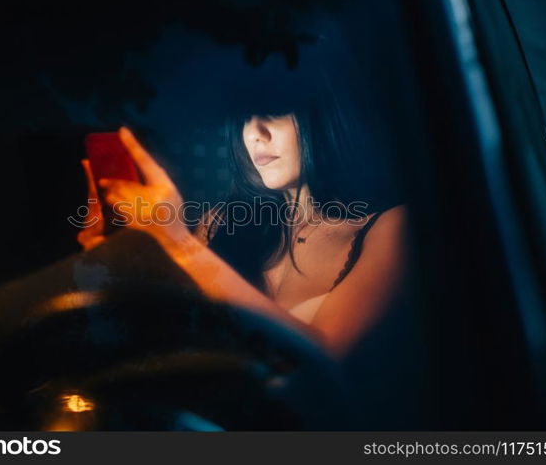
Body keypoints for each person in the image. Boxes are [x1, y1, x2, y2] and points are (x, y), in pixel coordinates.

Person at [77, 100, 408, 357]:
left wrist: (179, 244)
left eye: (273, 112)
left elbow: (322, 355)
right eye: (245, 119)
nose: (255, 133)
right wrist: (112, 267)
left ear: (322, 114)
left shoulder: (392, 227)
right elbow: (165, 345)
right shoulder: (220, 223)